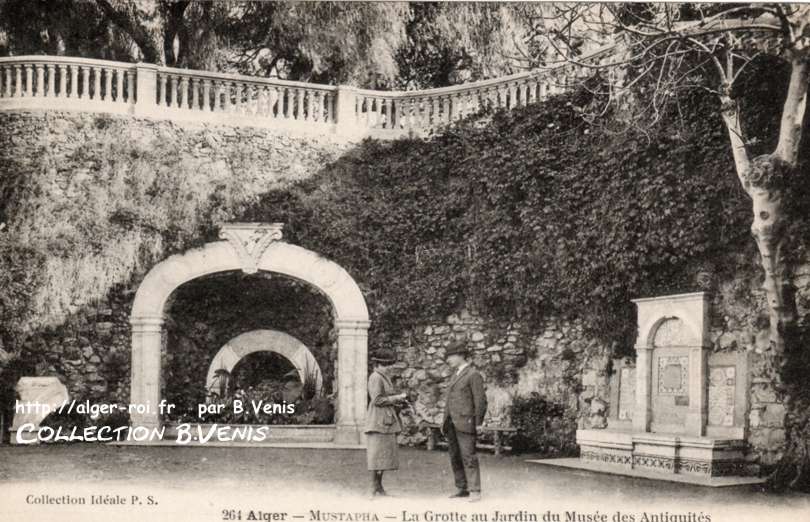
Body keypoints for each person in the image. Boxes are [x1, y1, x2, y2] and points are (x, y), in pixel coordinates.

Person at [442, 339, 488, 502]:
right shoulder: (455, 375)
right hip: (452, 423)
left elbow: (480, 401)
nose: (448, 360)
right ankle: (462, 488)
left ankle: (475, 490)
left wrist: (479, 423)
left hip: (466, 423)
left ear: (461, 355)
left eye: (451, 356)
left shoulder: (473, 374)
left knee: (469, 456)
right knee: (455, 456)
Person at [365, 348, 407, 498]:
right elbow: (377, 400)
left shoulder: (384, 377)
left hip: (386, 420)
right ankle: (372, 487)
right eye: (385, 364)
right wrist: (397, 398)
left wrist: (398, 401)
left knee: (383, 456)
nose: (389, 367)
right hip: (378, 420)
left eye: (390, 364)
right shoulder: (376, 377)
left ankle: (379, 487)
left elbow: (385, 398)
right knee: (376, 455)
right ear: (377, 364)